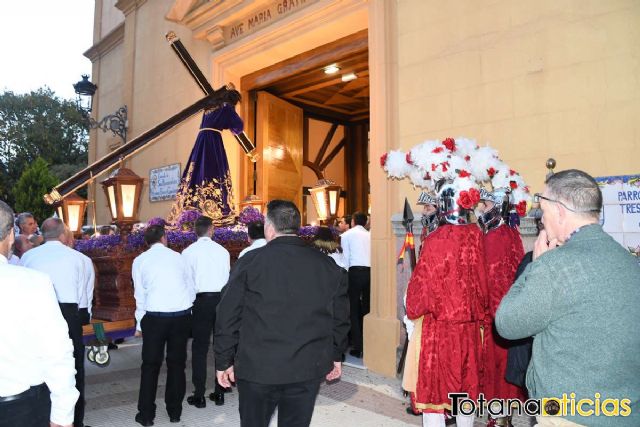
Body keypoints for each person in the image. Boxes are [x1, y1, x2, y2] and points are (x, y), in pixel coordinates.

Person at [496, 169, 640, 427]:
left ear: (559, 211)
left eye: (543, 211)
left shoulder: (554, 266)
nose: (541, 220)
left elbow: (507, 323)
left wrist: (535, 266)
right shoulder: (630, 263)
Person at [214, 199, 350, 427]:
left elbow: (227, 314)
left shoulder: (250, 262)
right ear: (296, 226)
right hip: (306, 367)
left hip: (258, 368)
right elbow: (339, 317)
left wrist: (223, 360)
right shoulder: (327, 266)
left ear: (269, 227)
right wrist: (335, 355)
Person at [406, 180, 487, 427]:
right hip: (469, 329)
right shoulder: (477, 236)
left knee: (435, 395)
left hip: (438, 331)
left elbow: (420, 291)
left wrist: (412, 308)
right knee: (465, 389)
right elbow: (483, 285)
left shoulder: (435, 240)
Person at [0, 201, 79, 427]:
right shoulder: (32, 282)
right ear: (9, 236)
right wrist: (63, 416)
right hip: (20, 409)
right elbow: (56, 353)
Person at [20, 218, 88, 427]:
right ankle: (75, 420)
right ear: (62, 235)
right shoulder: (79, 258)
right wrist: (83, 317)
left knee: (40, 363)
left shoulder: (28, 257)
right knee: (73, 366)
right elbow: (84, 295)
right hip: (69, 313)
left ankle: (45, 413)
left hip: (35, 313)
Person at [132, 225, 193, 426]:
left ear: (146, 242)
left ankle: (146, 415)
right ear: (165, 238)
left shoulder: (139, 261)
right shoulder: (179, 257)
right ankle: (175, 412)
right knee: (177, 365)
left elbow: (139, 296)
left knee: (150, 366)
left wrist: (140, 323)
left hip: (154, 317)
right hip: (180, 316)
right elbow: (191, 288)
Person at [477, 188, 526, 427]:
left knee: (496, 369)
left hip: (496, 314)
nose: (481, 209)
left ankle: (497, 418)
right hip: (512, 312)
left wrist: (488, 314)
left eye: (485, 205)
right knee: (507, 367)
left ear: (496, 207)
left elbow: (491, 279)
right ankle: (504, 415)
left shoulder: (493, 237)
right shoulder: (512, 233)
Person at [181, 216, 230, 408]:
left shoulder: (187, 252)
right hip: (221, 301)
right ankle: (220, 392)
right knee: (221, 346)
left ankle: (199, 394)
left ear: (195, 231)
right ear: (212, 230)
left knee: (199, 349)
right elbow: (227, 279)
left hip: (200, 302)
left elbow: (187, 282)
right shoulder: (223, 251)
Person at [340, 211, 370, 358]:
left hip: (354, 272)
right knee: (367, 309)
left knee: (352, 309)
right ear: (366, 222)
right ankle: (368, 344)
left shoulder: (347, 235)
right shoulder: (371, 235)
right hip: (369, 273)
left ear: (352, 221)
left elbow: (345, 259)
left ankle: (357, 346)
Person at [63, 229, 95, 326]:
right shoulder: (84, 259)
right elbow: (89, 290)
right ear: (70, 241)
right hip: (79, 308)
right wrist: (88, 313)